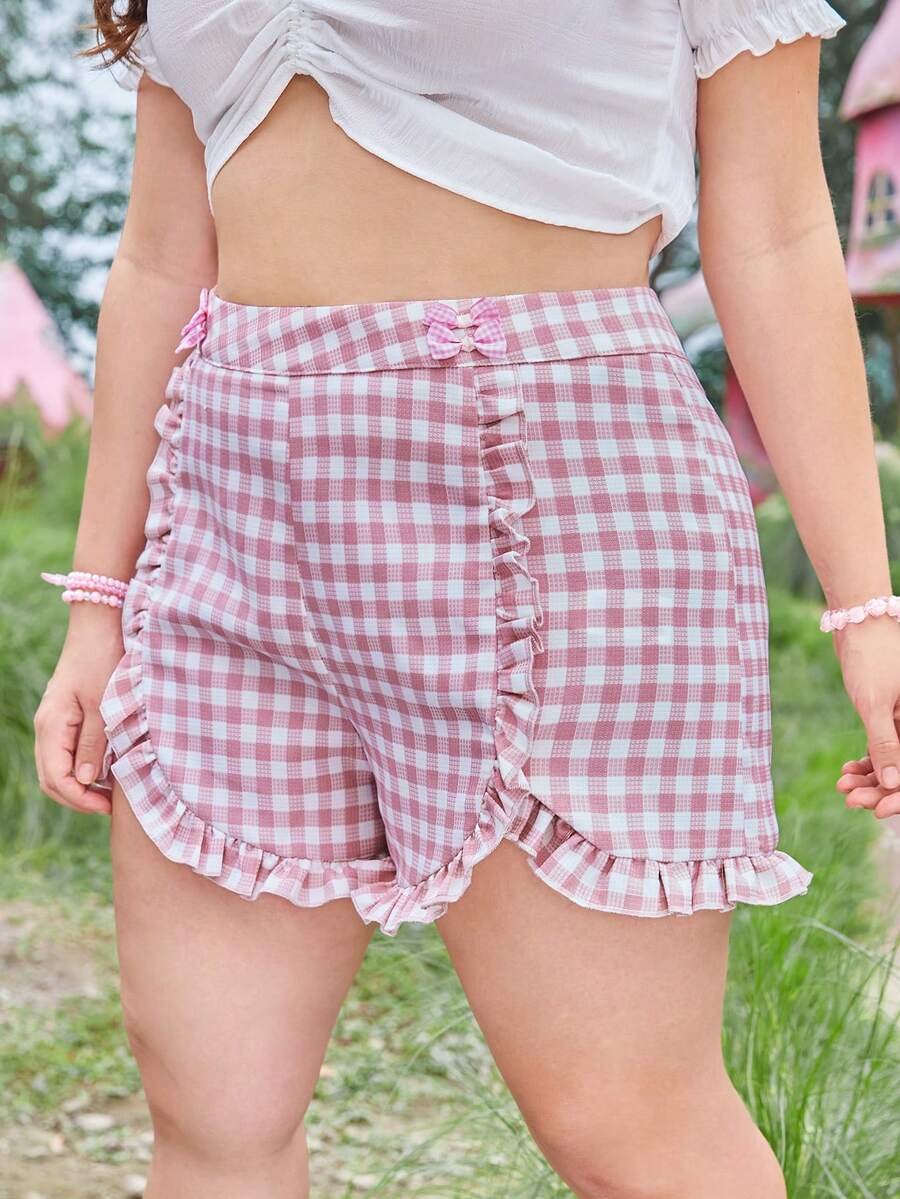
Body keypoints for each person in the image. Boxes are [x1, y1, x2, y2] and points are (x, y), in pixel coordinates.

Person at [31, 2, 898, 1196]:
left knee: (625, 1123)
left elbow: (779, 230)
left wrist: (866, 608)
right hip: (230, 501)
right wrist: (99, 599)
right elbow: (161, 255)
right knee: (212, 1103)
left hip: (559, 490)